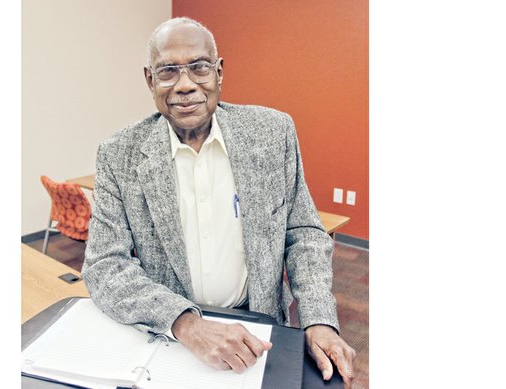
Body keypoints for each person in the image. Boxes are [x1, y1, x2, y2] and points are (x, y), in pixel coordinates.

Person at [83, 17, 356, 388]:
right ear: (150, 80)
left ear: (219, 72)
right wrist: (187, 324)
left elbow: (303, 232)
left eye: (199, 68)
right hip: (174, 337)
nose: (185, 85)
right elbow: (104, 264)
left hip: (261, 327)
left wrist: (318, 318)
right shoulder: (119, 154)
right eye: (168, 72)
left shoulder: (273, 132)